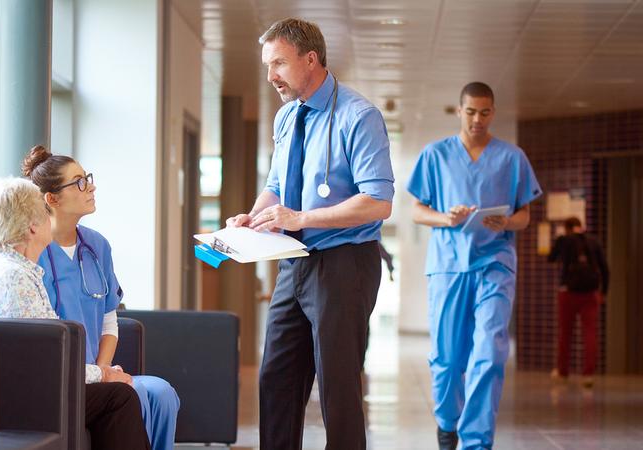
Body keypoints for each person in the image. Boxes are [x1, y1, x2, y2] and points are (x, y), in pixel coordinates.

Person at [226, 18, 394, 449]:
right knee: (276, 376)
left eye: (279, 63)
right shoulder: (286, 118)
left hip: (345, 263)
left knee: (337, 387)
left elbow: (378, 201)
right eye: (267, 65)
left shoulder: (359, 117)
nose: (271, 76)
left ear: (311, 59)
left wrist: (302, 219)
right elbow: (277, 186)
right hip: (295, 261)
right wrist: (253, 216)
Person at [0, 176, 151, 450]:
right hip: (7, 400)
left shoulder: (6, 269)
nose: (50, 221)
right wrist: (103, 374)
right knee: (119, 396)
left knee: (113, 392)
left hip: (0, 391)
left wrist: (101, 373)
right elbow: (50, 364)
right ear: (33, 227)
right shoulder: (15, 278)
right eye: (45, 215)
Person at [407, 81, 542, 450]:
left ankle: (477, 442)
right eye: (470, 112)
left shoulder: (512, 157)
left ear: (493, 113)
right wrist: (446, 218)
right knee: (448, 359)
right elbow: (417, 211)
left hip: (495, 265)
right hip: (449, 267)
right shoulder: (435, 155)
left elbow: (525, 215)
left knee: (489, 351)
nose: (477, 119)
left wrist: (507, 222)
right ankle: (448, 424)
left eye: (484, 112)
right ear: (459, 111)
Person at [21, 146, 180, 450]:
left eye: (88, 178)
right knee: (131, 395)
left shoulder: (97, 246)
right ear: (51, 199)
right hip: (60, 378)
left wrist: (103, 371)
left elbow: (110, 319)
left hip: (98, 371)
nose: (91, 186)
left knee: (162, 393)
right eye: (79, 182)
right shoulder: (33, 252)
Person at [548, 216, 609, 388]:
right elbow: (605, 268)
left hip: (568, 292)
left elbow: (551, 258)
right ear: (580, 227)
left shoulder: (564, 240)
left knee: (565, 333)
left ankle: (562, 372)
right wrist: (603, 292)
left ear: (567, 228)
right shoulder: (593, 241)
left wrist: (559, 240)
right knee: (590, 333)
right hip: (590, 293)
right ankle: (588, 374)